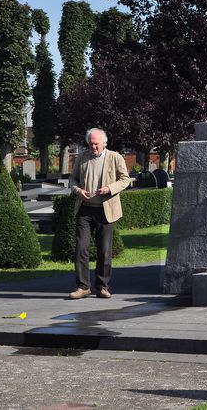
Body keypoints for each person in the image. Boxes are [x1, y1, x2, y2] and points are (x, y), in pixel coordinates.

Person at [68, 128, 130, 299]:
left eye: (96, 144)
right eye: (90, 144)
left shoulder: (115, 157)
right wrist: (77, 190)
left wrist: (110, 188)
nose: (93, 147)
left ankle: (102, 286)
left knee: (104, 251)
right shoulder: (82, 157)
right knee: (81, 248)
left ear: (104, 143)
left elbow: (125, 179)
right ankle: (83, 286)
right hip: (85, 209)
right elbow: (72, 178)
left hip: (105, 210)